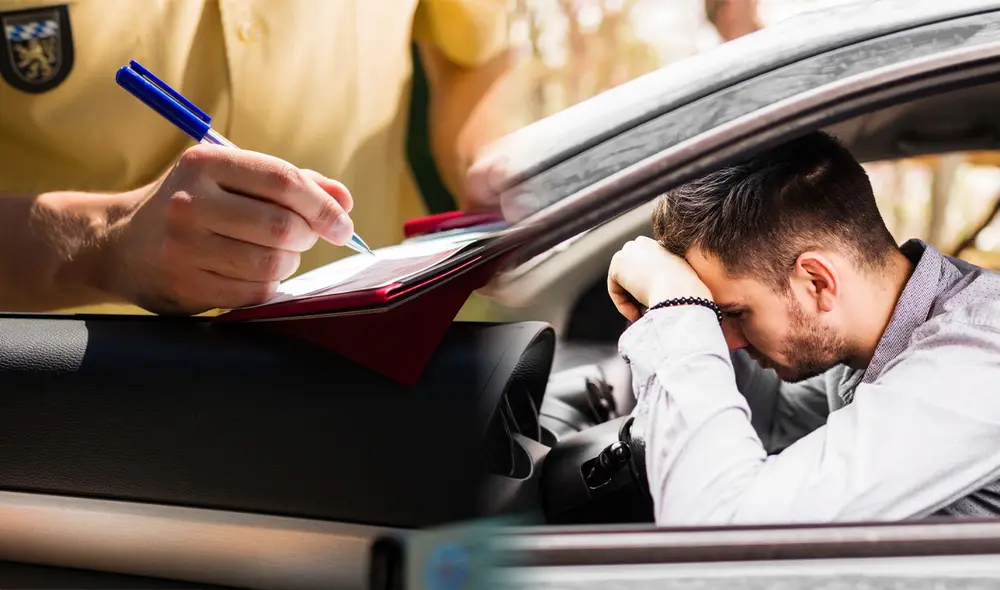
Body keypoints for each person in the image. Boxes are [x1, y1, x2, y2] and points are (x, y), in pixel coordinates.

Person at [0, 0, 513, 316]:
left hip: (386, 357)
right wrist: (105, 242)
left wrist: (492, 164)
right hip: (78, 404)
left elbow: (473, 53)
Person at [607, 131, 1000, 525]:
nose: (725, 341)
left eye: (736, 313)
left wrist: (678, 307)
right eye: (716, 317)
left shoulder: (976, 361)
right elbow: (777, 418)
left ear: (817, 282)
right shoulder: (877, 334)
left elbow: (720, 529)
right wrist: (680, 311)